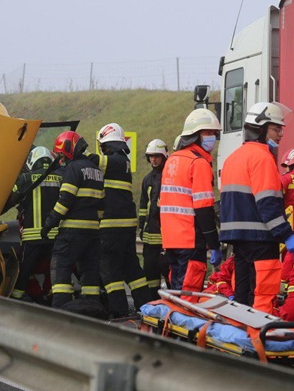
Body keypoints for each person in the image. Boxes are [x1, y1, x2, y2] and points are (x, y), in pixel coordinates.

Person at [219, 102, 294, 313]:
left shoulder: (233, 158)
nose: (281, 134)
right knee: (263, 294)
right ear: (260, 129)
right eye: (276, 128)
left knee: (242, 294)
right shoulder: (262, 158)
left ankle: (239, 335)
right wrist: (286, 235)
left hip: (239, 240)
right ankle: (258, 339)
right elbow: (268, 203)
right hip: (261, 239)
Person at [160, 108, 222, 294]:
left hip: (171, 240)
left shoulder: (172, 160)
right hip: (190, 240)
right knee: (188, 294)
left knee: (176, 293)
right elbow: (204, 209)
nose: (212, 137)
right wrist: (214, 245)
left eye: (214, 133)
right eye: (208, 132)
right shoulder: (198, 163)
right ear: (195, 135)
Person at [95, 122, 153, 318]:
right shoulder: (124, 162)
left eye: (103, 147)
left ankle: (119, 313)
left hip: (111, 226)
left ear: (107, 146)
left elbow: (94, 161)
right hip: (126, 227)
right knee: (132, 269)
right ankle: (146, 307)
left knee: (110, 273)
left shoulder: (114, 161)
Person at [43, 130, 104, 308]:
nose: (61, 160)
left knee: (60, 266)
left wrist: (48, 224)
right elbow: (102, 204)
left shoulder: (73, 169)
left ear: (68, 150)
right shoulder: (96, 171)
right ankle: (92, 309)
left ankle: (60, 310)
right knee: (90, 271)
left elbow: (64, 202)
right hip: (93, 233)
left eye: (62, 155)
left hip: (71, 232)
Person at [10, 146, 62, 302]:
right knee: (56, 271)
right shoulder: (61, 178)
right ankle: (55, 299)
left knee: (24, 271)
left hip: (32, 238)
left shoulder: (26, 178)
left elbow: (12, 198)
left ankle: (16, 299)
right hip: (56, 237)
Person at [138, 138, 169, 294]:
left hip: (166, 235)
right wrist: (141, 227)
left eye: (156, 156)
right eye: (150, 156)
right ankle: (151, 300)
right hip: (150, 235)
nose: (153, 159)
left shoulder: (169, 176)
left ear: (163, 156)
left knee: (168, 270)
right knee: (150, 271)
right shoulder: (147, 179)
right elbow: (143, 206)